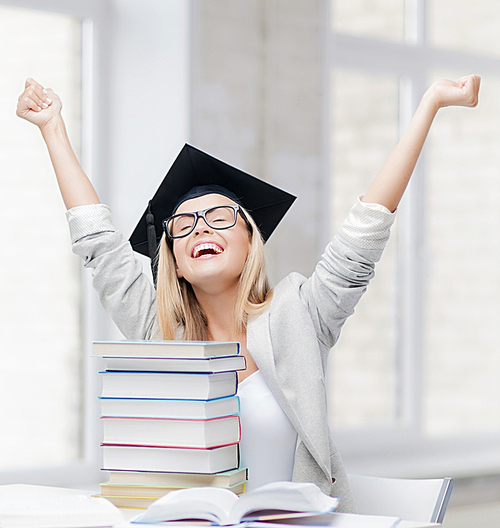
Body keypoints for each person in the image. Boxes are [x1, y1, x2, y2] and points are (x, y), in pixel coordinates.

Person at [16, 75, 480, 511]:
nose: (201, 228)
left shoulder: (300, 314)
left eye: (220, 216)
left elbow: (365, 233)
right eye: (184, 224)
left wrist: (430, 104)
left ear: (249, 238)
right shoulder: (158, 330)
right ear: (173, 259)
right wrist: (53, 128)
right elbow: (100, 247)